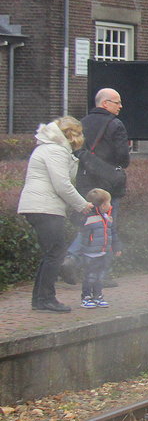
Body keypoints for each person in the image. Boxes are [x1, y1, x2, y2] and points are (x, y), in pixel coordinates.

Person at [17, 116, 92, 312]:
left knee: (51, 252)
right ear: (72, 135)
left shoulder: (49, 148)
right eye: (80, 133)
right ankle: (46, 299)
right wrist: (82, 205)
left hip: (39, 206)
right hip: (45, 207)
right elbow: (62, 185)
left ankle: (40, 299)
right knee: (56, 252)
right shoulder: (56, 151)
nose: (82, 137)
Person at [69, 88, 131, 282]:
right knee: (106, 225)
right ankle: (98, 273)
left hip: (86, 181)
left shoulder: (81, 123)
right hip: (108, 183)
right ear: (105, 103)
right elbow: (123, 158)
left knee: (89, 223)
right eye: (117, 102)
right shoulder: (115, 124)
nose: (120, 106)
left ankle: (73, 261)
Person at [76, 188, 119, 307]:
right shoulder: (88, 218)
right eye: (109, 202)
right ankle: (86, 297)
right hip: (90, 253)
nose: (110, 205)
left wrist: (116, 247)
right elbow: (81, 231)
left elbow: (113, 233)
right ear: (103, 204)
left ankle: (98, 295)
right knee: (89, 276)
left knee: (100, 276)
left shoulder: (107, 218)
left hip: (103, 252)